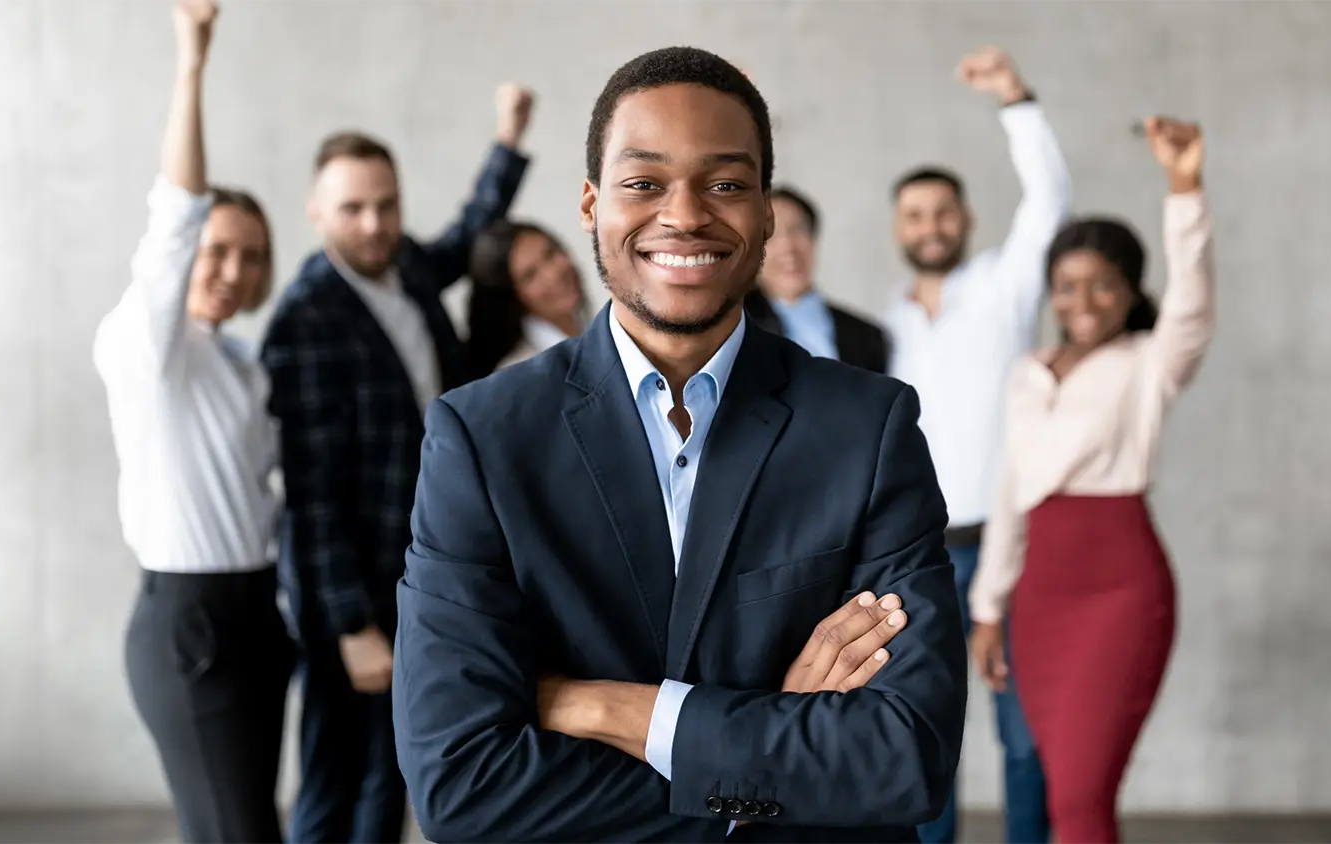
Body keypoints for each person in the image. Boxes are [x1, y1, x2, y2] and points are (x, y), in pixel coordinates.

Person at [393, 46, 967, 844]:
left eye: (727, 183)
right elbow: (462, 785)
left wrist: (604, 707)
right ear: (592, 205)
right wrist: (769, 755)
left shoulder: (868, 428)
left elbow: (904, 759)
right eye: (644, 183)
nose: (687, 213)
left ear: (766, 211)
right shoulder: (481, 438)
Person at [259, 85, 535, 844]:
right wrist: (351, 625)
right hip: (350, 589)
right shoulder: (305, 319)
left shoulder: (404, 266)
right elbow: (309, 494)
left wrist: (507, 142)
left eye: (387, 204)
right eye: (354, 209)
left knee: (395, 766)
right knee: (335, 772)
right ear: (317, 212)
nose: (375, 223)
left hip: (416, 563)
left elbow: (465, 237)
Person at [968, 117, 1214, 844]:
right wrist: (988, 608)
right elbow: (1013, 490)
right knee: (1058, 787)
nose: (1082, 301)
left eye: (1103, 286)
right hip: (1040, 595)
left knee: (1081, 797)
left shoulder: (1150, 360)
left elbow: (1193, 301)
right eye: (1067, 286)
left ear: (1130, 291)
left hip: (1120, 589)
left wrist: (1184, 186)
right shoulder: (1028, 373)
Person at [92, 3, 291, 842]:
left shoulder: (243, 363)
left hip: (256, 611)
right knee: (233, 831)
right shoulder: (147, 346)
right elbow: (173, 218)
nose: (232, 268)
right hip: (189, 624)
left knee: (251, 828)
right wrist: (192, 64)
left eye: (249, 254)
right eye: (217, 251)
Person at [880, 45, 1070, 844]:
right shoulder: (880, 328)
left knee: (1024, 737)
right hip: (917, 557)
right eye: (917, 216)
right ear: (898, 228)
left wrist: (1014, 98)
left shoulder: (1003, 287)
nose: (932, 227)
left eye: (944, 213)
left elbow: (1050, 200)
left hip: (1009, 547)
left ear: (967, 220)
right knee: (927, 739)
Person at [745, 185, 889, 373]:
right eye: (769, 235)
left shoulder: (865, 335)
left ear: (813, 238)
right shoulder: (733, 330)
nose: (787, 246)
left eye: (797, 229)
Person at [465, 219, 590, 376]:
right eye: (530, 275)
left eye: (550, 254)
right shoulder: (520, 375)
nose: (553, 274)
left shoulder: (596, 325)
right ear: (513, 298)